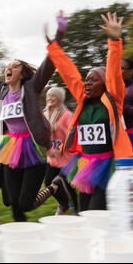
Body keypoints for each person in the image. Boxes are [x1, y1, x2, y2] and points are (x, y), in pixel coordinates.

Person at [0, 11, 73, 222]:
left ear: (23, 74)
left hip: (34, 147)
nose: (9, 67)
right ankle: (21, 239)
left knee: (25, 203)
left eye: (15, 66)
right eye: (8, 66)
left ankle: (55, 187)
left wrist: (60, 32)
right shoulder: (1, 89)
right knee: (11, 202)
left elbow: (51, 61)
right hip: (11, 146)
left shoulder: (32, 87)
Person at [46, 12, 133, 211]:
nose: (87, 82)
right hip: (86, 165)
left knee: (97, 212)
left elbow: (113, 71)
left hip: (108, 165)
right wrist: (53, 49)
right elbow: (69, 73)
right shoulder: (82, 99)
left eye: (93, 79)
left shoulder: (113, 100)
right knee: (85, 212)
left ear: (105, 83)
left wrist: (114, 41)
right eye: (86, 79)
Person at [43, 86, 78, 215]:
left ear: (59, 98)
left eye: (53, 95)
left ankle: (76, 208)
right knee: (48, 182)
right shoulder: (45, 114)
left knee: (68, 184)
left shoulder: (67, 115)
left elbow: (72, 135)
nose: (49, 98)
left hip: (67, 157)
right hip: (52, 157)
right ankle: (64, 204)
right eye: (48, 96)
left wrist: (57, 128)